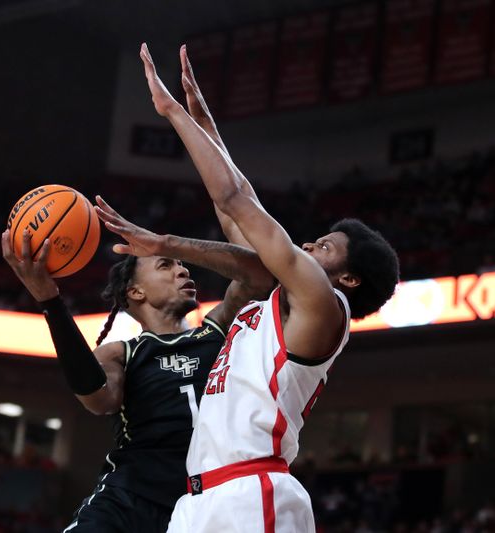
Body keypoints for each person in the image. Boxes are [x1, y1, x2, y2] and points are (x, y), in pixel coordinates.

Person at [97, 43, 399, 532]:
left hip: (251, 491)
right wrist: (205, 125)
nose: (307, 245)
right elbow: (235, 212)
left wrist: (171, 112)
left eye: (323, 247)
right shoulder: (284, 294)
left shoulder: (324, 306)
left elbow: (237, 201)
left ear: (349, 278)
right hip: (197, 499)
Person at [1, 203, 274, 532]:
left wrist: (169, 244)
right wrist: (49, 300)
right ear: (135, 291)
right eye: (165, 265)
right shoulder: (121, 353)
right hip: (129, 499)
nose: (184, 271)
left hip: (203, 505)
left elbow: (260, 273)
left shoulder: (216, 330)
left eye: (182, 265)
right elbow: (97, 398)